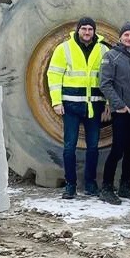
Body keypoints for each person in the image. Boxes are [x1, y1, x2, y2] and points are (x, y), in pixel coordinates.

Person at [47, 16, 108, 199]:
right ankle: (70, 185)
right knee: (69, 147)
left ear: (94, 31)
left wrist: (108, 103)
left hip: (94, 106)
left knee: (93, 147)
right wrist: (56, 102)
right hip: (71, 106)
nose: (87, 32)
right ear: (78, 30)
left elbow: (108, 79)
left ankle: (90, 184)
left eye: (90, 29)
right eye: (84, 29)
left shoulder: (103, 49)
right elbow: (54, 75)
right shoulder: (64, 48)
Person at [98, 22, 130, 205]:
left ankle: (125, 186)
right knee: (117, 150)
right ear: (120, 37)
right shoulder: (111, 56)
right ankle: (106, 187)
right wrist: (118, 105)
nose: (129, 38)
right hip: (121, 112)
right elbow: (105, 84)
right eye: (126, 35)